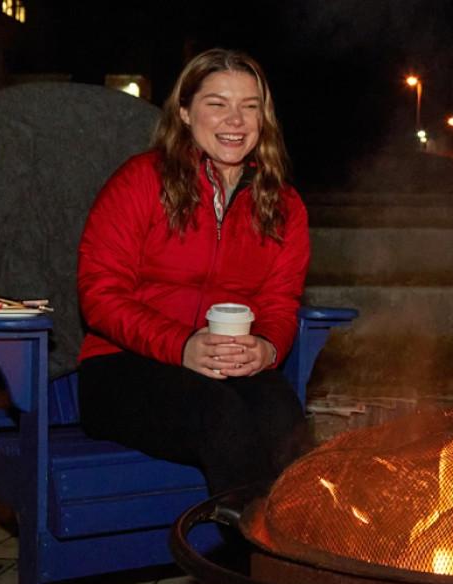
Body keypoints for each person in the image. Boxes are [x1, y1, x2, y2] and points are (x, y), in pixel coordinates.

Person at [75, 48, 309, 498]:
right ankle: (252, 560)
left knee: (284, 420)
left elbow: (280, 304)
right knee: (219, 414)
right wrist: (181, 345)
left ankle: (301, 551)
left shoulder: (284, 206)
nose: (235, 121)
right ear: (184, 112)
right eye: (217, 104)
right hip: (121, 368)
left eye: (249, 107)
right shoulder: (140, 181)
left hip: (226, 367)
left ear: (264, 118)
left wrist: (267, 347)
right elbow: (99, 294)